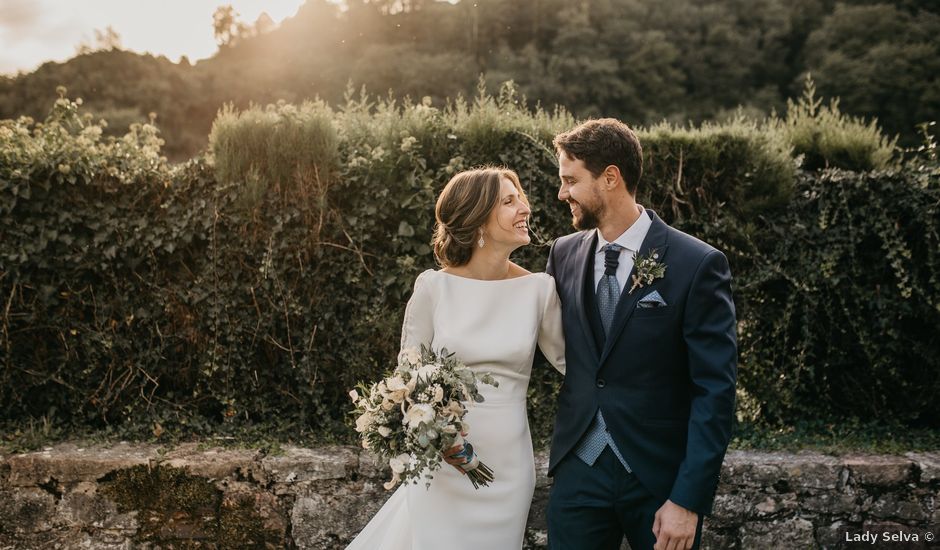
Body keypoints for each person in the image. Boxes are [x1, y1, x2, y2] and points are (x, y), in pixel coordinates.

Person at [347, 167, 566, 550]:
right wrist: (437, 434)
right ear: (478, 219)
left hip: (508, 469)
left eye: (522, 198)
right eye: (509, 201)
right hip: (442, 466)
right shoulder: (434, 287)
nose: (525, 208)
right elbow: (407, 382)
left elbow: (577, 368)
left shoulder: (539, 291)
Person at [544, 119, 737, 550]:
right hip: (578, 473)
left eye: (570, 181)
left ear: (610, 177)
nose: (562, 194)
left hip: (659, 479)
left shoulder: (697, 264)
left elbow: (714, 391)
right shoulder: (563, 254)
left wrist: (687, 500)